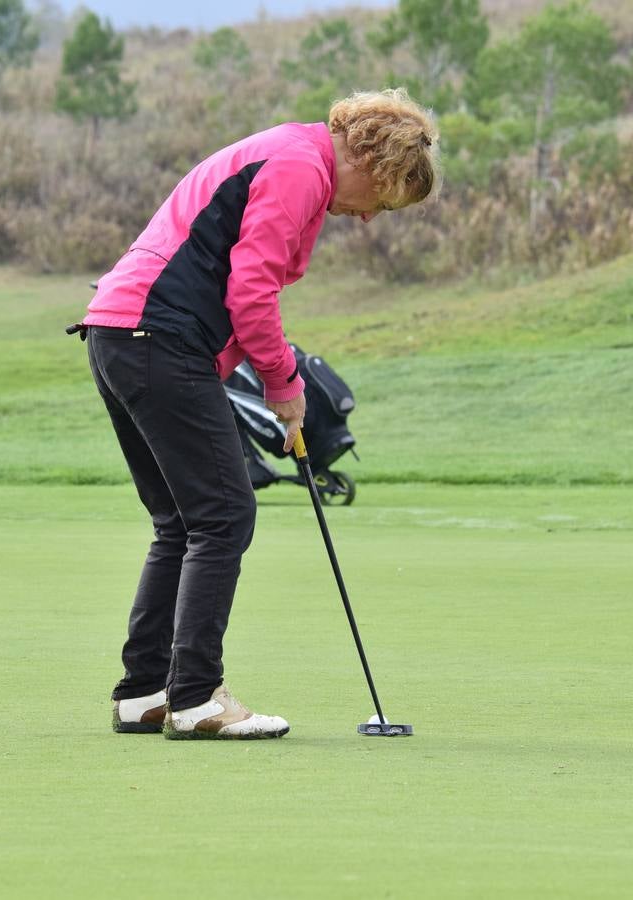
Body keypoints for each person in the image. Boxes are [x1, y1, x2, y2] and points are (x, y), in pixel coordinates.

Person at [72, 88, 439, 740]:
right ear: (375, 163)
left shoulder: (290, 154)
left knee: (182, 521)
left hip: (121, 332)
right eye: (383, 201)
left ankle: (145, 691)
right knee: (224, 513)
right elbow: (251, 290)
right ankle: (194, 699)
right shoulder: (300, 168)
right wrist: (284, 384)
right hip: (158, 333)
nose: (369, 219)